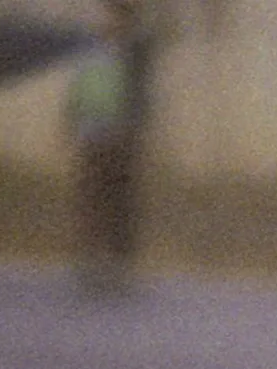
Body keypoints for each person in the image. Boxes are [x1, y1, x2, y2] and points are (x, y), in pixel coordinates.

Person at [64, 1, 154, 298]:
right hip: (91, 133)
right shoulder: (89, 49)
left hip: (121, 135)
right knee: (90, 196)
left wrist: (132, 129)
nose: (106, 21)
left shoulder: (136, 51)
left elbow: (141, 93)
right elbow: (79, 86)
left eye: (113, 16)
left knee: (120, 199)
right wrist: (71, 122)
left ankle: (118, 260)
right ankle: (91, 257)